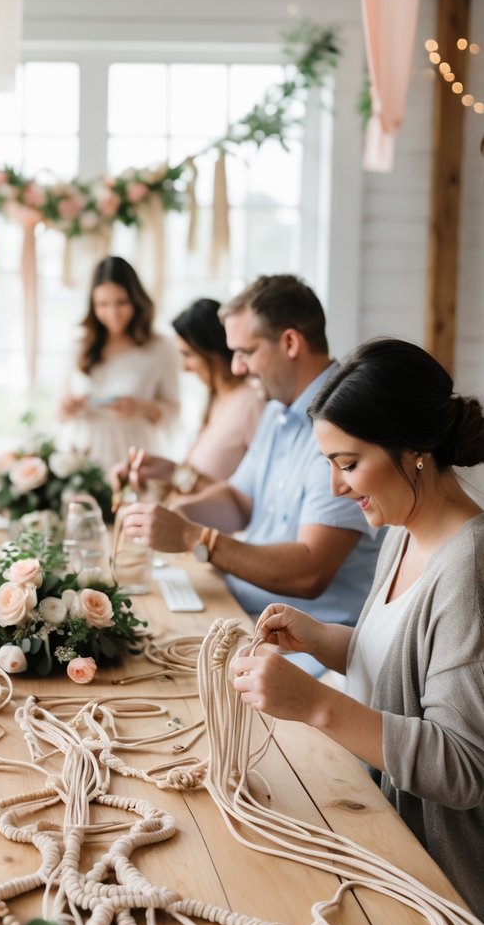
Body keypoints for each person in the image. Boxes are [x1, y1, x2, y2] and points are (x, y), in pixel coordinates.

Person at [232, 338, 484, 917]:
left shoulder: (468, 569)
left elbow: (464, 766)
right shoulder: (402, 529)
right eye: (330, 465)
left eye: (349, 465)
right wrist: (323, 639)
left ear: (414, 449)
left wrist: (316, 704)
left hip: (440, 881)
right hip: (382, 828)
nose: (336, 490)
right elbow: (409, 667)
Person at [121, 275, 379, 667]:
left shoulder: (343, 423)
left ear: (290, 343)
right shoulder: (277, 409)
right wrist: (174, 518)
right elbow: (239, 501)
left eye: (247, 351)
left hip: (307, 651)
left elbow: (310, 572)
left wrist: (193, 536)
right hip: (243, 615)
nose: (238, 368)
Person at [111, 297, 265, 502]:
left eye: (188, 355)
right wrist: (150, 475)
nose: (184, 367)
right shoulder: (216, 401)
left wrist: (175, 473)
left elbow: (248, 503)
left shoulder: (253, 405)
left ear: (213, 352)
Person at [58, 256, 180, 470]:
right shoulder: (79, 346)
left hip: (134, 456)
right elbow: (58, 412)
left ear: (135, 300)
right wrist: (68, 406)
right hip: (84, 457)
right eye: (103, 304)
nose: (112, 313)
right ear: (93, 306)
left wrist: (140, 407)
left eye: (121, 302)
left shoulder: (160, 348)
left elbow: (173, 413)